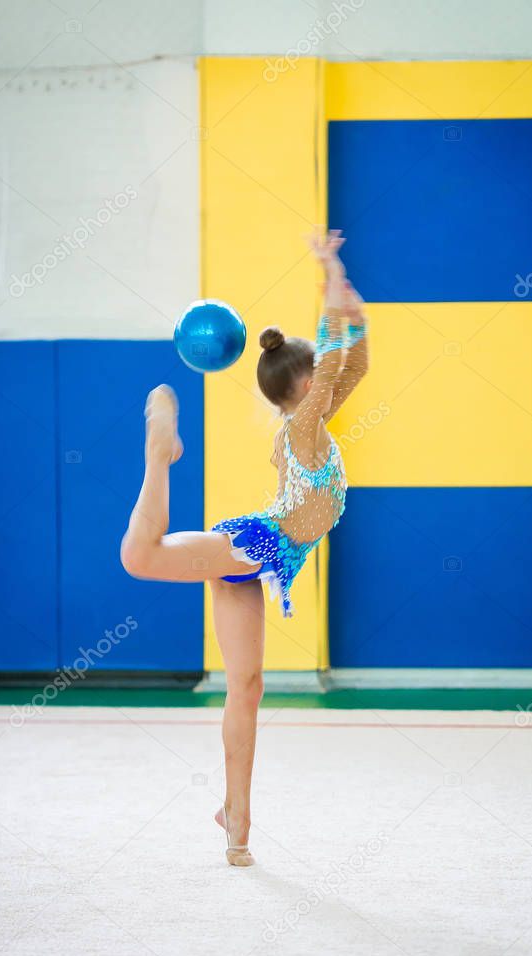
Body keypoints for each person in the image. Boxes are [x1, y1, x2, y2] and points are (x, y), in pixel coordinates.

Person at [120, 229, 370, 866]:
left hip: (268, 560)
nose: (328, 385)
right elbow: (338, 363)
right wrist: (327, 269)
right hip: (258, 542)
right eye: (319, 379)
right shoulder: (305, 428)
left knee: (247, 685)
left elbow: (355, 360)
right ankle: (161, 458)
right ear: (306, 385)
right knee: (139, 558)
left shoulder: (311, 423)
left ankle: (236, 820)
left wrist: (343, 294)